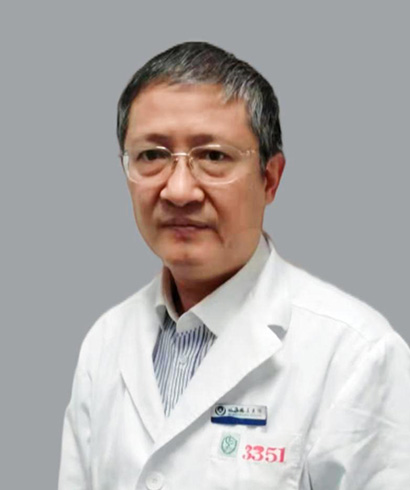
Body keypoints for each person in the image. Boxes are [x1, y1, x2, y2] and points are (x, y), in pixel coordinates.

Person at [58, 42, 410, 490]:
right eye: (152, 156)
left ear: (270, 178)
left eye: (213, 156)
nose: (179, 191)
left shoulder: (356, 355)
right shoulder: (105, 342)